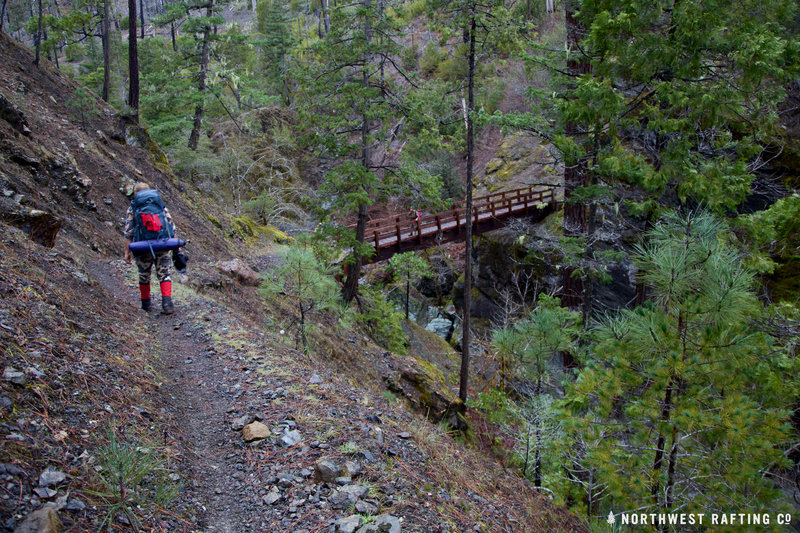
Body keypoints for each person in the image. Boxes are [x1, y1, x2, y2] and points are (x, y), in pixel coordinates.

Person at [123, 182, 178, 314]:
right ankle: (167, 302)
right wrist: (176, 247)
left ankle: (146, 304)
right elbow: (171, 225)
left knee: (144, 274)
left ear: (135, 193)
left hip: (142, 246)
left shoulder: (133, 207)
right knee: (164, 273)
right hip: (162, 243)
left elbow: (128, 231)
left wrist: (127, 251)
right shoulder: (159, 205)